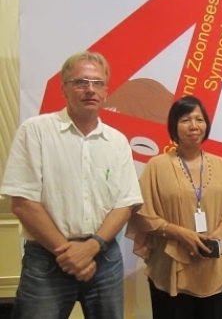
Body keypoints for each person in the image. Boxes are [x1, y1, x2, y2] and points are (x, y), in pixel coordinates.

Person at [0, 51, 143, 319]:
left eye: (97, 83)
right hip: (47, 260)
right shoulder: (35, 131)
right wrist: (68, 254)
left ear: (106, 90)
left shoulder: (118, 141)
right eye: (80, 82)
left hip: (105, 258)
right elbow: (22, 202)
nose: (90, 89)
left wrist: (91, 247)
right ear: (64, 87)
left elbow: (125, 204)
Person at [125, 95, 222, 319]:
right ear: (174, 126)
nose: (194, 126)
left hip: (212, 268)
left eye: (199, 120)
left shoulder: (220, 164)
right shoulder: (157, 166)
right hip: (170, 266)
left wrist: (220, 231)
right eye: (186, 120)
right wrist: (179, 233)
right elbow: (141, 214)